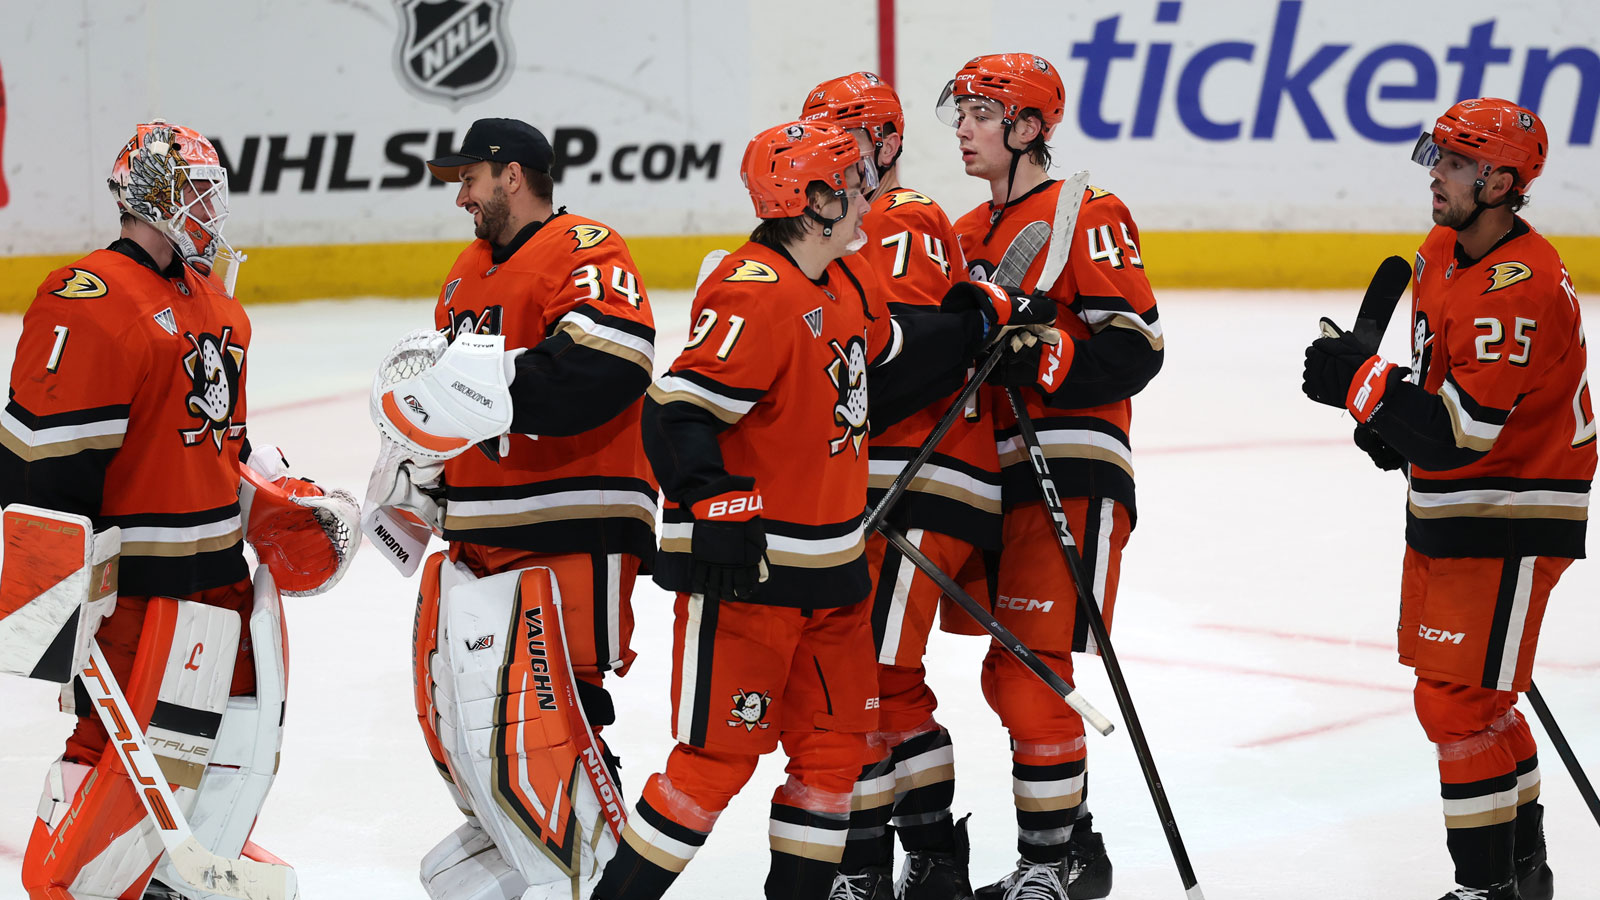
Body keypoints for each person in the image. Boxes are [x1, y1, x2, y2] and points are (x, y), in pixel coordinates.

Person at [588, 120, 1046, 900]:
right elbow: (675, 411)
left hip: (834, 577)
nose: (869, 191)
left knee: (836, 757)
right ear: (814, 202)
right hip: (751, 579)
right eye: (852, 181)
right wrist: (712, 501)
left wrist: (976, 318)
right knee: (714, 765)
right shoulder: (752, 291)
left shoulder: (849, 279)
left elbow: (889, 351)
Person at [1, 119, 359, 900]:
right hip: (142, 595)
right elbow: (41, 465)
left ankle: (171, 875)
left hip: (222, 586)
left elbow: (213, 438)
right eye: (195, 193)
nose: (208, 211)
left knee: (222, 749)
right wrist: (51, 598)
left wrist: (270, 494)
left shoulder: (214, 305)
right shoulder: (86, 299)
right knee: (115, 751)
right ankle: (77, 883)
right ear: (151, 197)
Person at [1302, 98, 1592, 900]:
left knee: (1456, 705)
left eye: (1457, 163)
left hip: (1514, 510)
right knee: (1475, 703)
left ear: (1501, 181)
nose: (1438, 174)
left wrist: (1363, 385)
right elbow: (1439, 397)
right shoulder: (1442, 250)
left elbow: (1463, 431)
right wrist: (1389, 422)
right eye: (1439, 157)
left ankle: (1485, 889)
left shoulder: (1520, 284)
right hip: (1457, 506)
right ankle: (1523, 875)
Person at [364, 117, 658, 900]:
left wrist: (479, 387)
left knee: (564, 713)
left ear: (513, 174)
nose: (460, 195)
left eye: (469, 178)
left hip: (574, 519)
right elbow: (452, 404)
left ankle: (598, 875)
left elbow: (612, 364)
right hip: (482, 527)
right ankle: (541, 856)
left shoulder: (585, 246)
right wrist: (420, 475)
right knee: (476, 721)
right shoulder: (464, 271)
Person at [941, 53, 1165, 900]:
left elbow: (1136, 346)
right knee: (1010, 671)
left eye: (980, 112)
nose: (962, 128)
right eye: (956, 112)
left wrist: (1045, 347)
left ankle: (1054, 865)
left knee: (1027, 673)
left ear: (1029, 126)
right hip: (988, 475)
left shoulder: (1087, 211)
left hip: (1069, 466)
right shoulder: (962, 232)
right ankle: (1072, 850)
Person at [798, 71, 995, 900]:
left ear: (880, 141)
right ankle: (932, 857)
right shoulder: (844, 226)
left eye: (838, 143)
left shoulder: (900, 216)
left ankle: (870, 868)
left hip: (918, 475)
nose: (820, 162)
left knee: (864, 678)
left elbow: (915, 349)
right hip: (883, 480)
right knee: (885, 677)